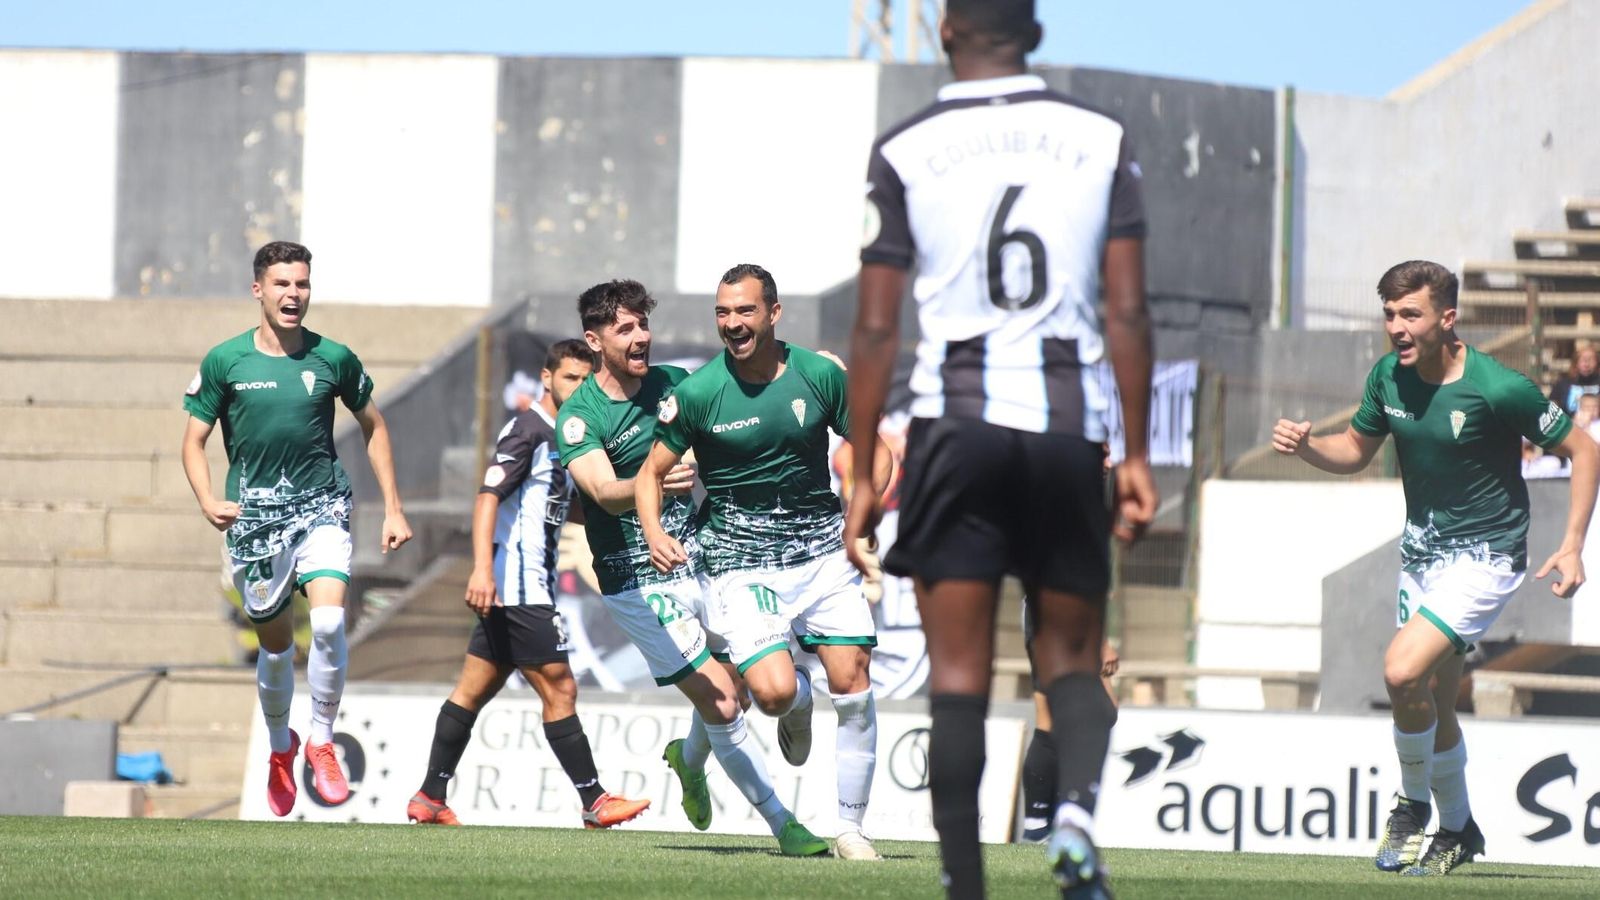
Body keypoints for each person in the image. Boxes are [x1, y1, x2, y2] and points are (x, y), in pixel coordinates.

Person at [842, 1, 1158, 895]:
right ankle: (1075, 822)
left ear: (945, 31)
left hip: (956, 429)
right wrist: (1132, 453)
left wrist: (866, 467)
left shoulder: (904, 148)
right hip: (1066, 433)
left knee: (959, 676)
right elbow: (1130, 310)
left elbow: (874, 331)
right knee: (1070, 659)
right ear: (1037, 34)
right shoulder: (1100, 138)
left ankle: (964, 883)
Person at [1273, 259, 1598, 876]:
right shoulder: (1386, 379)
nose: (1396, 326)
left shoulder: (1498, 387)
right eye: (1390, 314)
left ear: (1447, 318)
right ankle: (1457, 829)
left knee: (1399, 671)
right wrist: (1310, 447)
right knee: (1433, 702)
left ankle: (1411, 806)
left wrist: (1574, 542)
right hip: (1422, 554)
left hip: (1487, 556)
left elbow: (1584, 449)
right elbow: (1355, 449)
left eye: (1410, 314)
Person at [554, 279, 828, 856]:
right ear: (594, 339)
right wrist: (650, 481)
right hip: (637, 578)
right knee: (723, 702)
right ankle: (784, 825)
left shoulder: (675, 385)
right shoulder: (580, 417)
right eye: (624, 328)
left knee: (747, 686)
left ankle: (689, 757)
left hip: (707, 555)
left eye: (643, 325)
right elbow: (603, 492)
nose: (640, 337)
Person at [636, 264, 895, 861]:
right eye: (723, 313)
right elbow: (651, 475)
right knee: (772, 694)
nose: (732, 324)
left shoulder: (820, 374)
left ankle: (851, 830)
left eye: (744, 311)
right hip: (738, 560)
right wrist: (652, 529)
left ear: (773, 314)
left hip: (821, 550)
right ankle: (798, 703)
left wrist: (861, 515)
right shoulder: (699, 394)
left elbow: (874, 452)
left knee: (853, 680)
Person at [181, 240, 414, 817]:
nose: (294, 295)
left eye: (302, 284)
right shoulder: (224, 361)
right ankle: (281, 748)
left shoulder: (333, 358)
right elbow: (193, 441)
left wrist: (393, 506)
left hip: (321, 507)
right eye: (282, 284)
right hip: (254, 520)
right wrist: (208, 498)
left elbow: (374, 426)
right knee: (279, 650)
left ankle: (322, 740)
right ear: (258, 289)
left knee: (332, 621)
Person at [406, 339, 652, 829]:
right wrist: (480, 569)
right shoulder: (529, 431)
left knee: (473, 689)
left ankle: (430, 796)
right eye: (570, 379)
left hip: (522, 586)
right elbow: (487, 499)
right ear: (546, 378)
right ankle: (594, 800)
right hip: (518, 588)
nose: (579, 389)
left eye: (587, 381)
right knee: (560, 687)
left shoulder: (565, 435)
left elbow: (561, 504)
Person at [1020, 637, 1119, 842]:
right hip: (1056, 625)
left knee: (1104, 712)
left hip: (1063, 625)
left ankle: (1045, 823)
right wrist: (1100, 644)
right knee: (1049, 718)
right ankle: (1037, 825)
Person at [1549, 344, 1599, 414]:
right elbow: (1552, 406)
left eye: (1590, 359)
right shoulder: (1563, 384)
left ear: (1597, 362)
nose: (1586, 364)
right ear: (1576, 363)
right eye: (1583, 359)